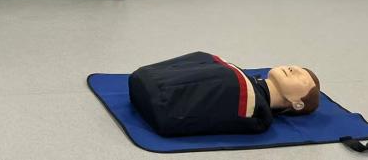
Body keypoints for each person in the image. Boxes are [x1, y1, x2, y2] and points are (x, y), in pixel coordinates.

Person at [129, 51, 320, 137]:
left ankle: (159, 92)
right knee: (206, 58)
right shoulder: (243, 79)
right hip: (145, 82)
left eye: (302, 79)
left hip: (158, 105)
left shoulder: (255, 112)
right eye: (295, 66)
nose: (293, 69)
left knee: (228, 80)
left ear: (298, 104)